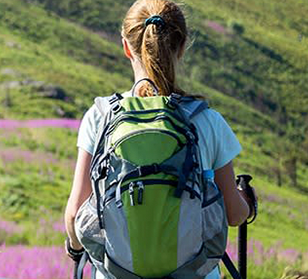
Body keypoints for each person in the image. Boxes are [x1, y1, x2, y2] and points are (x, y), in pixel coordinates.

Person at [65, 0, 256, 278]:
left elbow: (74, 215)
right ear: (182, 47)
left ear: (126, 47)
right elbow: (233, 213)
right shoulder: (206, 120)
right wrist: (248, 201)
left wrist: (74, 248)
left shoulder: (101, 117)